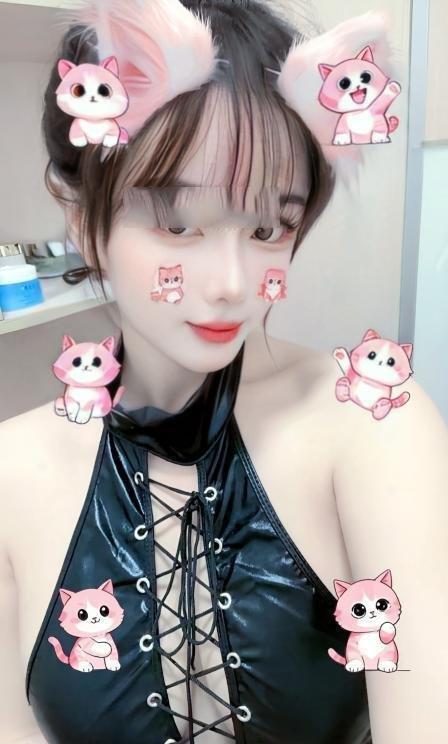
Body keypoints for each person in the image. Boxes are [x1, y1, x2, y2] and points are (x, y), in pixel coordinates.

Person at [1, 1, 448, 743]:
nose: (233, 284)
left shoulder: (374, 429)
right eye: (178, 223)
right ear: (82, 219)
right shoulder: (12, 471)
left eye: (269, 227)